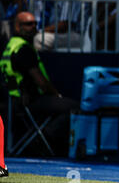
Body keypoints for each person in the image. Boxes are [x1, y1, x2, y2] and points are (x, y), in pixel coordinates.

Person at [0, 12, 78, 156]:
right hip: (29, 100)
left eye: (35, 23)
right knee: (75, 107)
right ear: (17, 27)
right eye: (29, 24)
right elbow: (41, 82)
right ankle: (44, 138)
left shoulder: (10, 46)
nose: (34, 27)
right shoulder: (23, 49)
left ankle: (42, 137)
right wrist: (57, 95)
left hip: (14, 101)